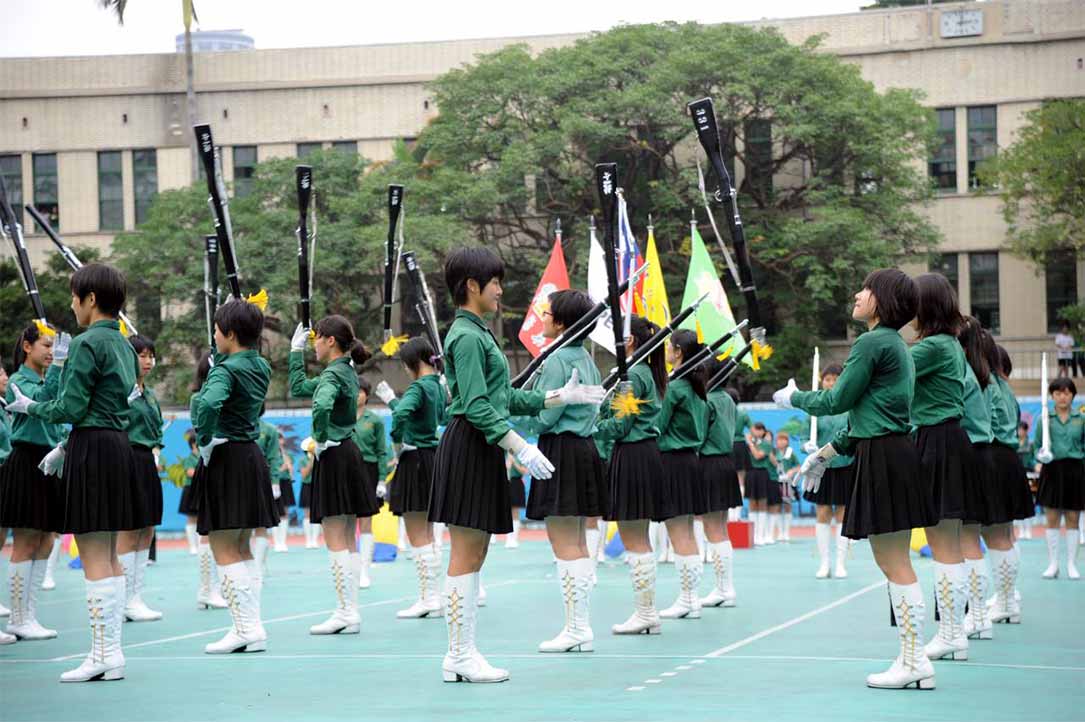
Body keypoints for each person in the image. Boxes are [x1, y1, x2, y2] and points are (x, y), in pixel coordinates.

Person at [427, 247, 603, 683]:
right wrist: (519, 445)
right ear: (472, 286)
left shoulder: (480, 332)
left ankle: (462, 654)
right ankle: (459, 655)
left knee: (477, 550)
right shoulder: (466, 336)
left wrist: (558, 396)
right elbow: (476, 405)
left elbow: (505, 397)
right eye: (495, 283)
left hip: (482, 444)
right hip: (471, 442)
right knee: (466, 552)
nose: (501, 291)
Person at [776, 268, 938, 690]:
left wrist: (792, 397)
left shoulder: (871, 342)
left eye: (865, 289)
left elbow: (836, 400)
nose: (856, 294)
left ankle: (914, 658)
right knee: (895, 560)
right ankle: (912, 657)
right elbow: (868, 414)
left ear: (881, 300)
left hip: (884, 457)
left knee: (894, 562)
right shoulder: (896, 345)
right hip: (891, 452)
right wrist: (827, 454)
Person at [5, 263, 145, 682]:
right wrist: (66, 444)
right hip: (116, 446)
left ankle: (102, 653)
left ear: (89, 300)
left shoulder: (87, 343)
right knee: (109, 553)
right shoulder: (123, 344)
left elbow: (71, 407)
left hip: (93, 450)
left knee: (92, 553)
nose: (71, 304)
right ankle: (111, 653)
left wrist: (31, 407)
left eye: (73, 296)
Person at [515, 289, 607, 652]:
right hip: (583, 449)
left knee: (564, 541)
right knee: (578, 541)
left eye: (548, 313)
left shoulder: (554, 359)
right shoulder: (587, 358)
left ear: (563, 322)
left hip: (561, 449)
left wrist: (521, 416)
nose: (543, 317)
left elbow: (546, 414)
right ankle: (578, 626)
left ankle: (576, 627)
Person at [192, 299, 279, 654]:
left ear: (229, 333)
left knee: (224, 545)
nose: (213, 336)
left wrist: (204, 438)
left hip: (226, 455)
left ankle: (244, 628)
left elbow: (209, 404)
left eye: (216, 330)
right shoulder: (260, 365)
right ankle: (251, 627)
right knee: (242, 545)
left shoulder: (224, 370)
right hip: (250, 454)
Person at [908, 273, 982, 664]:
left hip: (936, 441)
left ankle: (951, 632)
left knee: (943, 545)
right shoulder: (948, 343)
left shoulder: (932, 346)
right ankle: (954, 632)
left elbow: (887, 367)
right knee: (947, 544)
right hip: (947, 439)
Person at [289, 315, 379, 635]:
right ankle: (350, 611)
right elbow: (299, 386)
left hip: (333, 453)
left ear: (330, 341)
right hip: (348, 453)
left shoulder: (332, 375)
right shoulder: (346, 371)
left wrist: (321, 436)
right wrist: (294, 353)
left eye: (316, 339)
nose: (313, 344)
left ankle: (345, 611)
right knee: (347, 535)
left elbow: (321, 406)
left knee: (335, 535)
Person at [596, 316, 666, 636]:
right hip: (646, 453)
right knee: (639, 538)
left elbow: (621, 424)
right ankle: (646, 611)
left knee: (634, 538)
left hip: (633, 452)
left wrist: (594, 425)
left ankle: (645, 612)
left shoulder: (633, 374)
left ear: (632, 342)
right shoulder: (646, 371)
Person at [1, 323, 64, 641]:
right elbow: (40, 402)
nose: (51, 352)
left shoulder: (45, 376)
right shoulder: (17, 381)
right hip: (26, 460)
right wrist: (57, 372)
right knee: (26, 539)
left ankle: (31, 615)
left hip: (49, 460)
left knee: (47, 539)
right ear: (27, 347)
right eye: (46, 345)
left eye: (54, 346)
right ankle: (18, 617)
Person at [375, 337, 446, 614]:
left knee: (417, 534)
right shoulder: (437, 386)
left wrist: (396, 441)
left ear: (414, 363)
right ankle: (435, 596)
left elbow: (402, 416)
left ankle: (428, 599)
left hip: (414, 458)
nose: (405, 370)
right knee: (429, 533)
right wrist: (393, 400)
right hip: (432, 457)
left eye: (405, 365)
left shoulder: (418, 387)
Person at [655, 329, 709, 620]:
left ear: (678, 352)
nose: (665, 350)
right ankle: (691, 598)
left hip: (673, 461)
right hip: (690, 461)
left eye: (668, 347)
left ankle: (688, 598)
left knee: (680, 535)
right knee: (686, 532)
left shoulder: (676, 387)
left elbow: (658, 425)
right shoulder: (696, 386)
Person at [116, 334, 165, 623]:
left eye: (150, 355)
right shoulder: (122, 389)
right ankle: (122, 600)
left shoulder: (150, 394)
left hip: (147, 458)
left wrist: (157, 450)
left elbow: (156, 428)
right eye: (141, 355)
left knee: (146, 528)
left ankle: (135, 597)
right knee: (128, 528)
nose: (147, 361)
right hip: (127, 457)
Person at [697, 356, 740, 608]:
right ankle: (725, 587)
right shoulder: (726, 399)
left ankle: (724, 588)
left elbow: (699, 434)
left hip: (709, 463)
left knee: (713, 529)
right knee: (720, 528)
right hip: (725, 462)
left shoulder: (708, 401)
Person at [803, 364, 853, 579]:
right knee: (822, 512)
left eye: (836, 379)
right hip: (821, 468)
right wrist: (808, 445)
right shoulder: (815, 411)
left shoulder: (850, 407)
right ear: (821, 381)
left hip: (845, 464)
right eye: (828, 379)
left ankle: (841, 563)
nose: (831, 383)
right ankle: (825, 563)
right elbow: (806, 436)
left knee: (843, 513)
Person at [1034, 377, 1083, 580]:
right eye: (1057, 393)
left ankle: (1071, 564)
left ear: (1073, 395)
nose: (1062, 397)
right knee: (1052, 519)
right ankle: (1053, 564)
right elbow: (1037, 446)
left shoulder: (1081, 418)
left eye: (1066, 392)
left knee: (1073, 519)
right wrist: (1040, 456)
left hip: (1075, 471)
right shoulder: (1044, 419)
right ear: (1051, 396)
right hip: (1052, 471)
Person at [354, 375, 390, 588]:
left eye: (361, 391)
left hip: (369, 470)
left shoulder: (375, 420)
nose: (357, 395)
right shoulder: (342, 417)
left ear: (367, 395)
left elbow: (381, 452)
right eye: (354, 390)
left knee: (366, 520)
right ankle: (352, 568)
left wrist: (382, 480)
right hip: (347, 469)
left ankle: (365, 570)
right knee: (348, 521)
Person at [745, 422, 777, 546]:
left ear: (764, 431)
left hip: (763, 474)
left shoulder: (766, 444)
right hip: (751, 473)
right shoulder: (749, 443)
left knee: (762, 503)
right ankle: (753, 536)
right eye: (756, 429)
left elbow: (758, 456)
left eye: (760, 429)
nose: (758, 432)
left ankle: (761, 535)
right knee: (752, 502)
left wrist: (750, 443)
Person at [271, 431, 296, 553]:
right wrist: (282, 468)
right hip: (276, 483)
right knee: (276, 512)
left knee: (285, 511)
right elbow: (272, 470)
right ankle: (276, 542)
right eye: (278, 439)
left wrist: (290, 471)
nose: (280, 441)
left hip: (286, 483)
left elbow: (291, 472)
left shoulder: (288, 454)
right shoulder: (272, 454)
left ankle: (283, 541)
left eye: (281, 439)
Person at [178, 431, 200, 555]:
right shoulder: (189, 459)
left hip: (202, 489)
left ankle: (201, 544)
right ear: (193, 445)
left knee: (202, 518)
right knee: (191, 518)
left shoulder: (204, 457)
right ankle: (193, 546)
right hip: (191, 489)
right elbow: (190, 472)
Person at [775, 430, 799, 543]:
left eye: (784, 439)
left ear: (787, 441)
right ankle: (780, 532)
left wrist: (792, 471)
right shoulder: (774, 452)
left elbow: (798, 466)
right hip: (776, 482)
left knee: (788, 506)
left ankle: (787, 532)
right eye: (779, 439)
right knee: (778, 507)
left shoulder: (790, 453)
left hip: (787, 483)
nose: (781, 441)